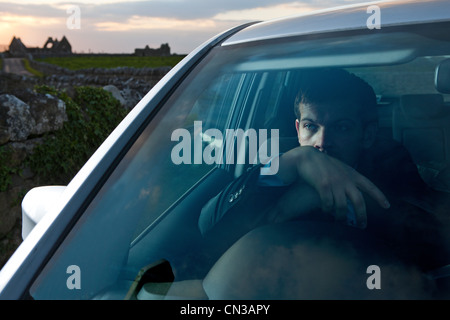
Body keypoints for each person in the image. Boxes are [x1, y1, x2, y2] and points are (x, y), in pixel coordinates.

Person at [198, 68, 448, 296]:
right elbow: (208, 224)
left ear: (368, 135)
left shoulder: (391, 161)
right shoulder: (278, 164)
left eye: (341, 127)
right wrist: (291, 164)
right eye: (311, 126)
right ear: (298, 130)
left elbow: (433, 243)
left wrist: (343, 199)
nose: (322, 142)